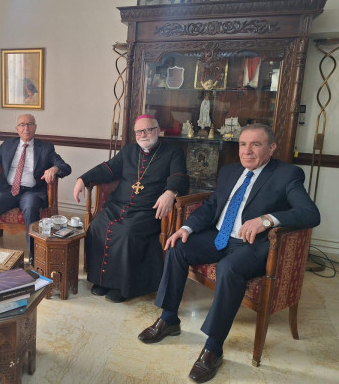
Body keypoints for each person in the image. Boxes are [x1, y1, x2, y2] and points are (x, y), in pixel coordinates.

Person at [138, 123, 320, 383]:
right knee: (178, 247)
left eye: (256, 144)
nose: (247, 151)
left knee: (228, 269)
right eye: (243, 144)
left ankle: (213, 348)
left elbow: (310, 213)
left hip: (253, 245)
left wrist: (267, 220)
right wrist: (186, 228)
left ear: (271, 148)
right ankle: (168, 319)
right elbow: (212, 205)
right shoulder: (230, 171)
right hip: (219, 237)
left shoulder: (287, 174)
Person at [73, 114, 189, 303]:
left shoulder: (172, 153)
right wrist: (83, 179)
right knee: (96, 227)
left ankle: (122, 286)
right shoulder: (129, 150)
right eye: (138, 131)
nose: (143, 135)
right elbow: (108, 168)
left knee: (126, 233)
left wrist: (170, 192)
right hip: (117, 205)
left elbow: (180, 176)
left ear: (157, 130)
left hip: (147, 211)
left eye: (148, 130)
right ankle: (102, 280)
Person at [0, 114, 71, 262]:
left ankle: (33, 256)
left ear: (35, 127)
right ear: (17, 129)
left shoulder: (46, 148)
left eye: (30, 124)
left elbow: (65, 167)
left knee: (31, 208)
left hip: (31, 192)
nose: (26, 128)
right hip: (8, 190)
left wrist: (54, 169)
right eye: (22, 125)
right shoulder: (8, 144)